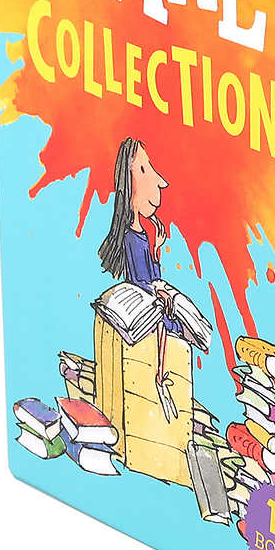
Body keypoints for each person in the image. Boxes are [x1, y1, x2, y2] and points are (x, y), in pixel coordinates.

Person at [97, 138, 183, 422]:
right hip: (140, 306)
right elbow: (139, 281)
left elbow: (152, 276)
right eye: (144, 170)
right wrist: (157, 292)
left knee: (176, 320)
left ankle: (162, 375)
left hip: (150, 300)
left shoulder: (143, 235)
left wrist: (156, 249)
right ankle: (159, 376)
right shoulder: (129, 236)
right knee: (166, 320)